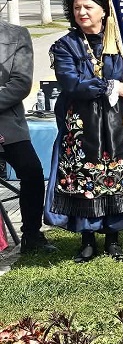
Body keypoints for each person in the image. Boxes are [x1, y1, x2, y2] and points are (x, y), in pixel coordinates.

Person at [45, 0, 123, 262]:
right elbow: (71, 83)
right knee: (84, 178)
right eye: (77, 8)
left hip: (116, 123)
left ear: (103, 11)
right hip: (81, 125)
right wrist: (111, 86)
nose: (82, 12)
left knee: (115, 175)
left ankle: (113, 239)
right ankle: (87, 240)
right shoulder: (65, 46)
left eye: (88, 7)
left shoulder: (121, 42)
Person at [0, 20, 54, 253]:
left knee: (32, 172)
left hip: (7, 123)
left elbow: (21, 84)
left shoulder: (17, 35)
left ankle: (32, 235)